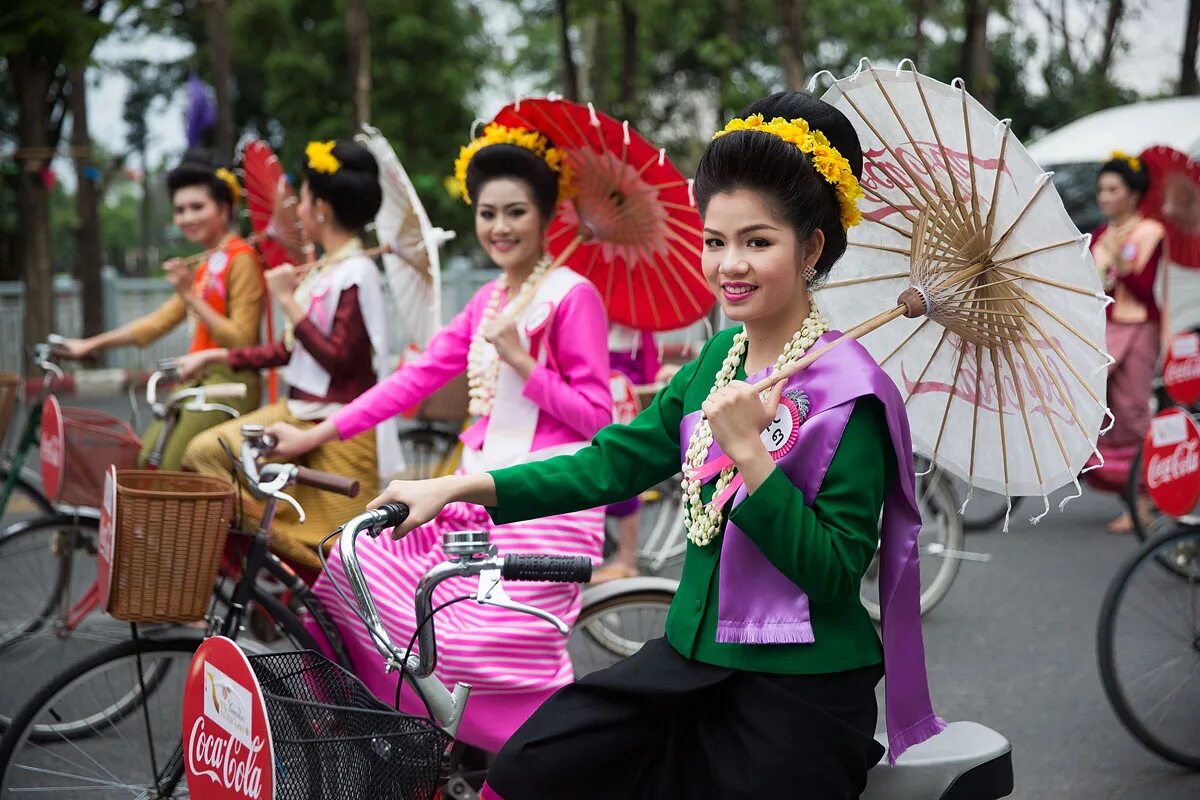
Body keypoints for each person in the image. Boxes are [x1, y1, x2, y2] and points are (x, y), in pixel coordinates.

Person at [369, 92, 945, 798]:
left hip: (799, 691)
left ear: (812, 247)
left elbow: (832, 572)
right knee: (528, 766)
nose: (730, 264)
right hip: (686, 661)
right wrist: (458, 488)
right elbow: (612, 461)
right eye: (715, 240)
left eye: (757, 242)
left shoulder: (852, 392)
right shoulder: (718, 359)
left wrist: (754, 459)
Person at [268, 123, 612, 751]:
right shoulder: (488, 299)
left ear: (545, 217)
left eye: (516, 212)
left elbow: (599, 421)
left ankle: (522, 749)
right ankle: (391, 721)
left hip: (545, 500)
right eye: (487, 213)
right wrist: (317, 432)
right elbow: (414, 379)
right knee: (352, 558)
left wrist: (526, 364)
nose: (500, 227)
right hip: (475, 493)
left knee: (460, 636)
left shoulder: (573, 297)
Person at [177, 140, 402, 573]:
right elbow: (291, 349)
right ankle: (273, 557)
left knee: (339, 562)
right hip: (298, 412)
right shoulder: (325, 269)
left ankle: (282, 566)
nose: (296, 210)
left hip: (339, 429)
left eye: (302, 200)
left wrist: (288, 301)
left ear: (321, 208)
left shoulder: (358, 272)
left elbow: (338, 358)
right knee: (206, 453)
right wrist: (217, 356)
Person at [58, 150, 265, 469]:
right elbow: (157, 323)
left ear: (224, 210)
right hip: (197, 382)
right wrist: (91, 344)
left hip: (231, 382)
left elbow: (242, 340)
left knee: (172, 464)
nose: (187, 217)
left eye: (197, 207)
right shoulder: (205, 265)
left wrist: (189, 295)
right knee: (146, 458)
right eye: (180, 209)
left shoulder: (242, 260)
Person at [1085, 151, 1166, 534]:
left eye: (1112, 189)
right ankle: (1131, 491)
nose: (1104, 197)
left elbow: (1146, 290)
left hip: (1140, 328)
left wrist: (1121, 259)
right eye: (1101, 189)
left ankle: (1149, 496)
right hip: (1105, 328)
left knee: (1133, 410)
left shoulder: (1151, 233)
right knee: (1107, 411)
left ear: (1132, 194)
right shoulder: (1100, 235)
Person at [593, 323, 660, 583]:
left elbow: (646, 365)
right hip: (599, 396)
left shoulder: (634, 320)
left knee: (624, 474)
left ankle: (627, 558)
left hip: (624, 401)